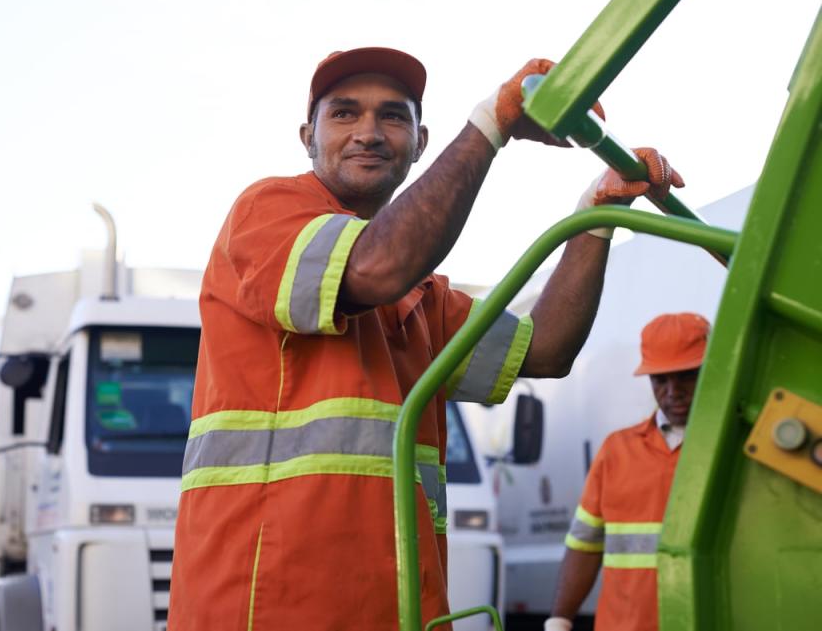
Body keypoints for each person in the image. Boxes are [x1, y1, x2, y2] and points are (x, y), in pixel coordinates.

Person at [168, 47, 683, 631]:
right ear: (307, 136)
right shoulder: (267, 213)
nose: (368, 132)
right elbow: (375, 266)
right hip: (267, 608)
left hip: (400, 611)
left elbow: (546, 349)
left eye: (392, 116)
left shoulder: (421, 297)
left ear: (420, 141)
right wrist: (492, 123)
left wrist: (596, 213)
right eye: (344, 114)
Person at [545, 312, 711, 631]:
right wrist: (559, 621)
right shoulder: (616, 451)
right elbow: (584, 544)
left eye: (686, 375)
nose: (673, 390)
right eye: (660, 379)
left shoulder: (738, 446)